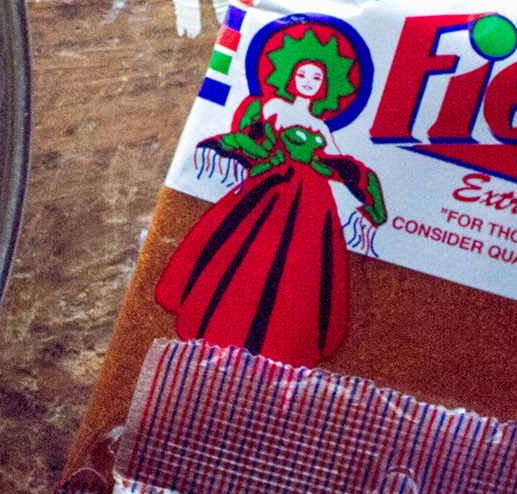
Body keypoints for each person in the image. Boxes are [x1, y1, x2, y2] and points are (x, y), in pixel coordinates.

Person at [155, 19, 387, 365]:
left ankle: (279, 344)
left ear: (327, 87)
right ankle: (220, 326)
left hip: (312, 206)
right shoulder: (272, 107)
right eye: (304, 74)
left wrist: (366, 196)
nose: (309, 82)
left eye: (318, 78)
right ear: (290, 75)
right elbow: (250, 139)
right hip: (266, 194)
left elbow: (337, 162)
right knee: (245, 255)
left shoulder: (321, 126)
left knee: (297, 273)